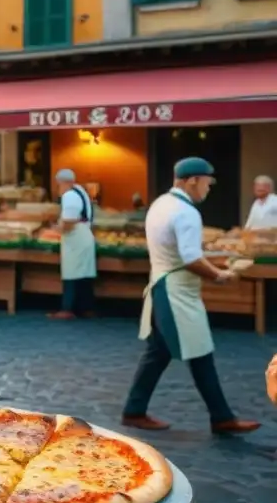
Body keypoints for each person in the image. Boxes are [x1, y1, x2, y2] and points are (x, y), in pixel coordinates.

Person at [120, 157, 260, 434]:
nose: (208, 189)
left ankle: (134, 410)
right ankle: (221, 418)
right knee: (200, 352)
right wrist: (219, 275)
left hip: (163, 285)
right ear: (193, 180)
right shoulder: (186, 213)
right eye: (207, 183)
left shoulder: (160, 204)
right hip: (177, 293)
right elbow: (191, 258)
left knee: (160, 352)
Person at [48, 169, 98, 320]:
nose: (58, 188)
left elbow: (69, 221)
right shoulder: (80, 190)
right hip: (84, 236)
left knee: (71, 274)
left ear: (63, 182)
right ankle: (86, 308)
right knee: (84, 274)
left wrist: (57, 229)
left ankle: (67, 308)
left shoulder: (69, 195)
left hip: (76, 238)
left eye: (58, 185)